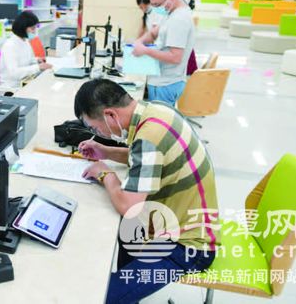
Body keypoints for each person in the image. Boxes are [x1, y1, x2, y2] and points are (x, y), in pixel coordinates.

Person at [74, 78, 218, 304]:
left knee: (99, 297)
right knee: (121, 235)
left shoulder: (149, 137)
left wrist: (106, 174)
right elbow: (146, 158)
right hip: (180, 225)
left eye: (94, 128)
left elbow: (129, 206)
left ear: (110, 115)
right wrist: (106, 152)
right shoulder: (155, 111)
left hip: (188, 248)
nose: (97, 133)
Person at [132, 0, 195, 106]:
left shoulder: (179, 19)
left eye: (157, 5)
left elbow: (175, 57)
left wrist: (145, 50)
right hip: (160, 81)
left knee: (160, 119)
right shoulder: (170, 13)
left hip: (166, 84)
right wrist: (140, 41)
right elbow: (154, 32)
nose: (154, 9)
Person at [0, 11, 52, 89]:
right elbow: (14, 73)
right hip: (11, 87)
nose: (34, 31)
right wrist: (38, 67)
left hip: (24, 80)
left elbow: (25, 60)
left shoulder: (24, 41)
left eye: (35, 28)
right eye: (32, 28)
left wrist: (37, 60)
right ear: (23, 27)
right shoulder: (10, 46)